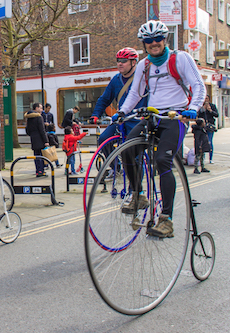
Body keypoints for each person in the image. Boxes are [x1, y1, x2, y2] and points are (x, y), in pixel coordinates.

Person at [118, 20, 206, 238]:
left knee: (162, 161)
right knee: (127, 149)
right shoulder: (144, 65)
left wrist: (193, 107)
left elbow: (198, 85)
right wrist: (122, 112)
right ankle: (138, 195)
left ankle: (166, 220)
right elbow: (136, 93)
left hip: (175, 116)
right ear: (144, 43)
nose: (153, 43)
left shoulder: (180, 58)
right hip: (152, 115)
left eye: (158, 39)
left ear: (165, 39)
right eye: (148, 40)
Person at [88, 47, 148, 155]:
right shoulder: (116, 79)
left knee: (133, 154)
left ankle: (137, 170)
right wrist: (96, 114)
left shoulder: (142, 78)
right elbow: (104, 99)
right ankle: (117, 168)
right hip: (121, 119)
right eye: (118, 60)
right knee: (103, 140)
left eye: (124, 61)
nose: (120, 63)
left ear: (134, 62)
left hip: (137, 121)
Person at [25, 103, 50, 177]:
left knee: (36, 156)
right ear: (36, 108)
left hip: (33, 139)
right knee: (41, 156)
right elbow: (42, 130)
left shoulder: (29, 118)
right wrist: (46, 141)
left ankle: (37, 170)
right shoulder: (39, 117)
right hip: (40, 139)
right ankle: (41, 171)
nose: (42, 110)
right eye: (41, 108)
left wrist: (32, 135)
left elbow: (27, 130)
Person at [197, 95, 219, 163]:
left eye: (207, 98)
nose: (205, 100)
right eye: (204, 99)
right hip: (202, 127)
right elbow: (198, 115)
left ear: (209, 99)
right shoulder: (200, 106)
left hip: (210, 127)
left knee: (209, 142)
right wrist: (203, 108)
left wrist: (210, 110)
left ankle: (210, 158)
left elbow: (216, 115)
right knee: (201, 143)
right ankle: (202, 159)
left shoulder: (212, 106)